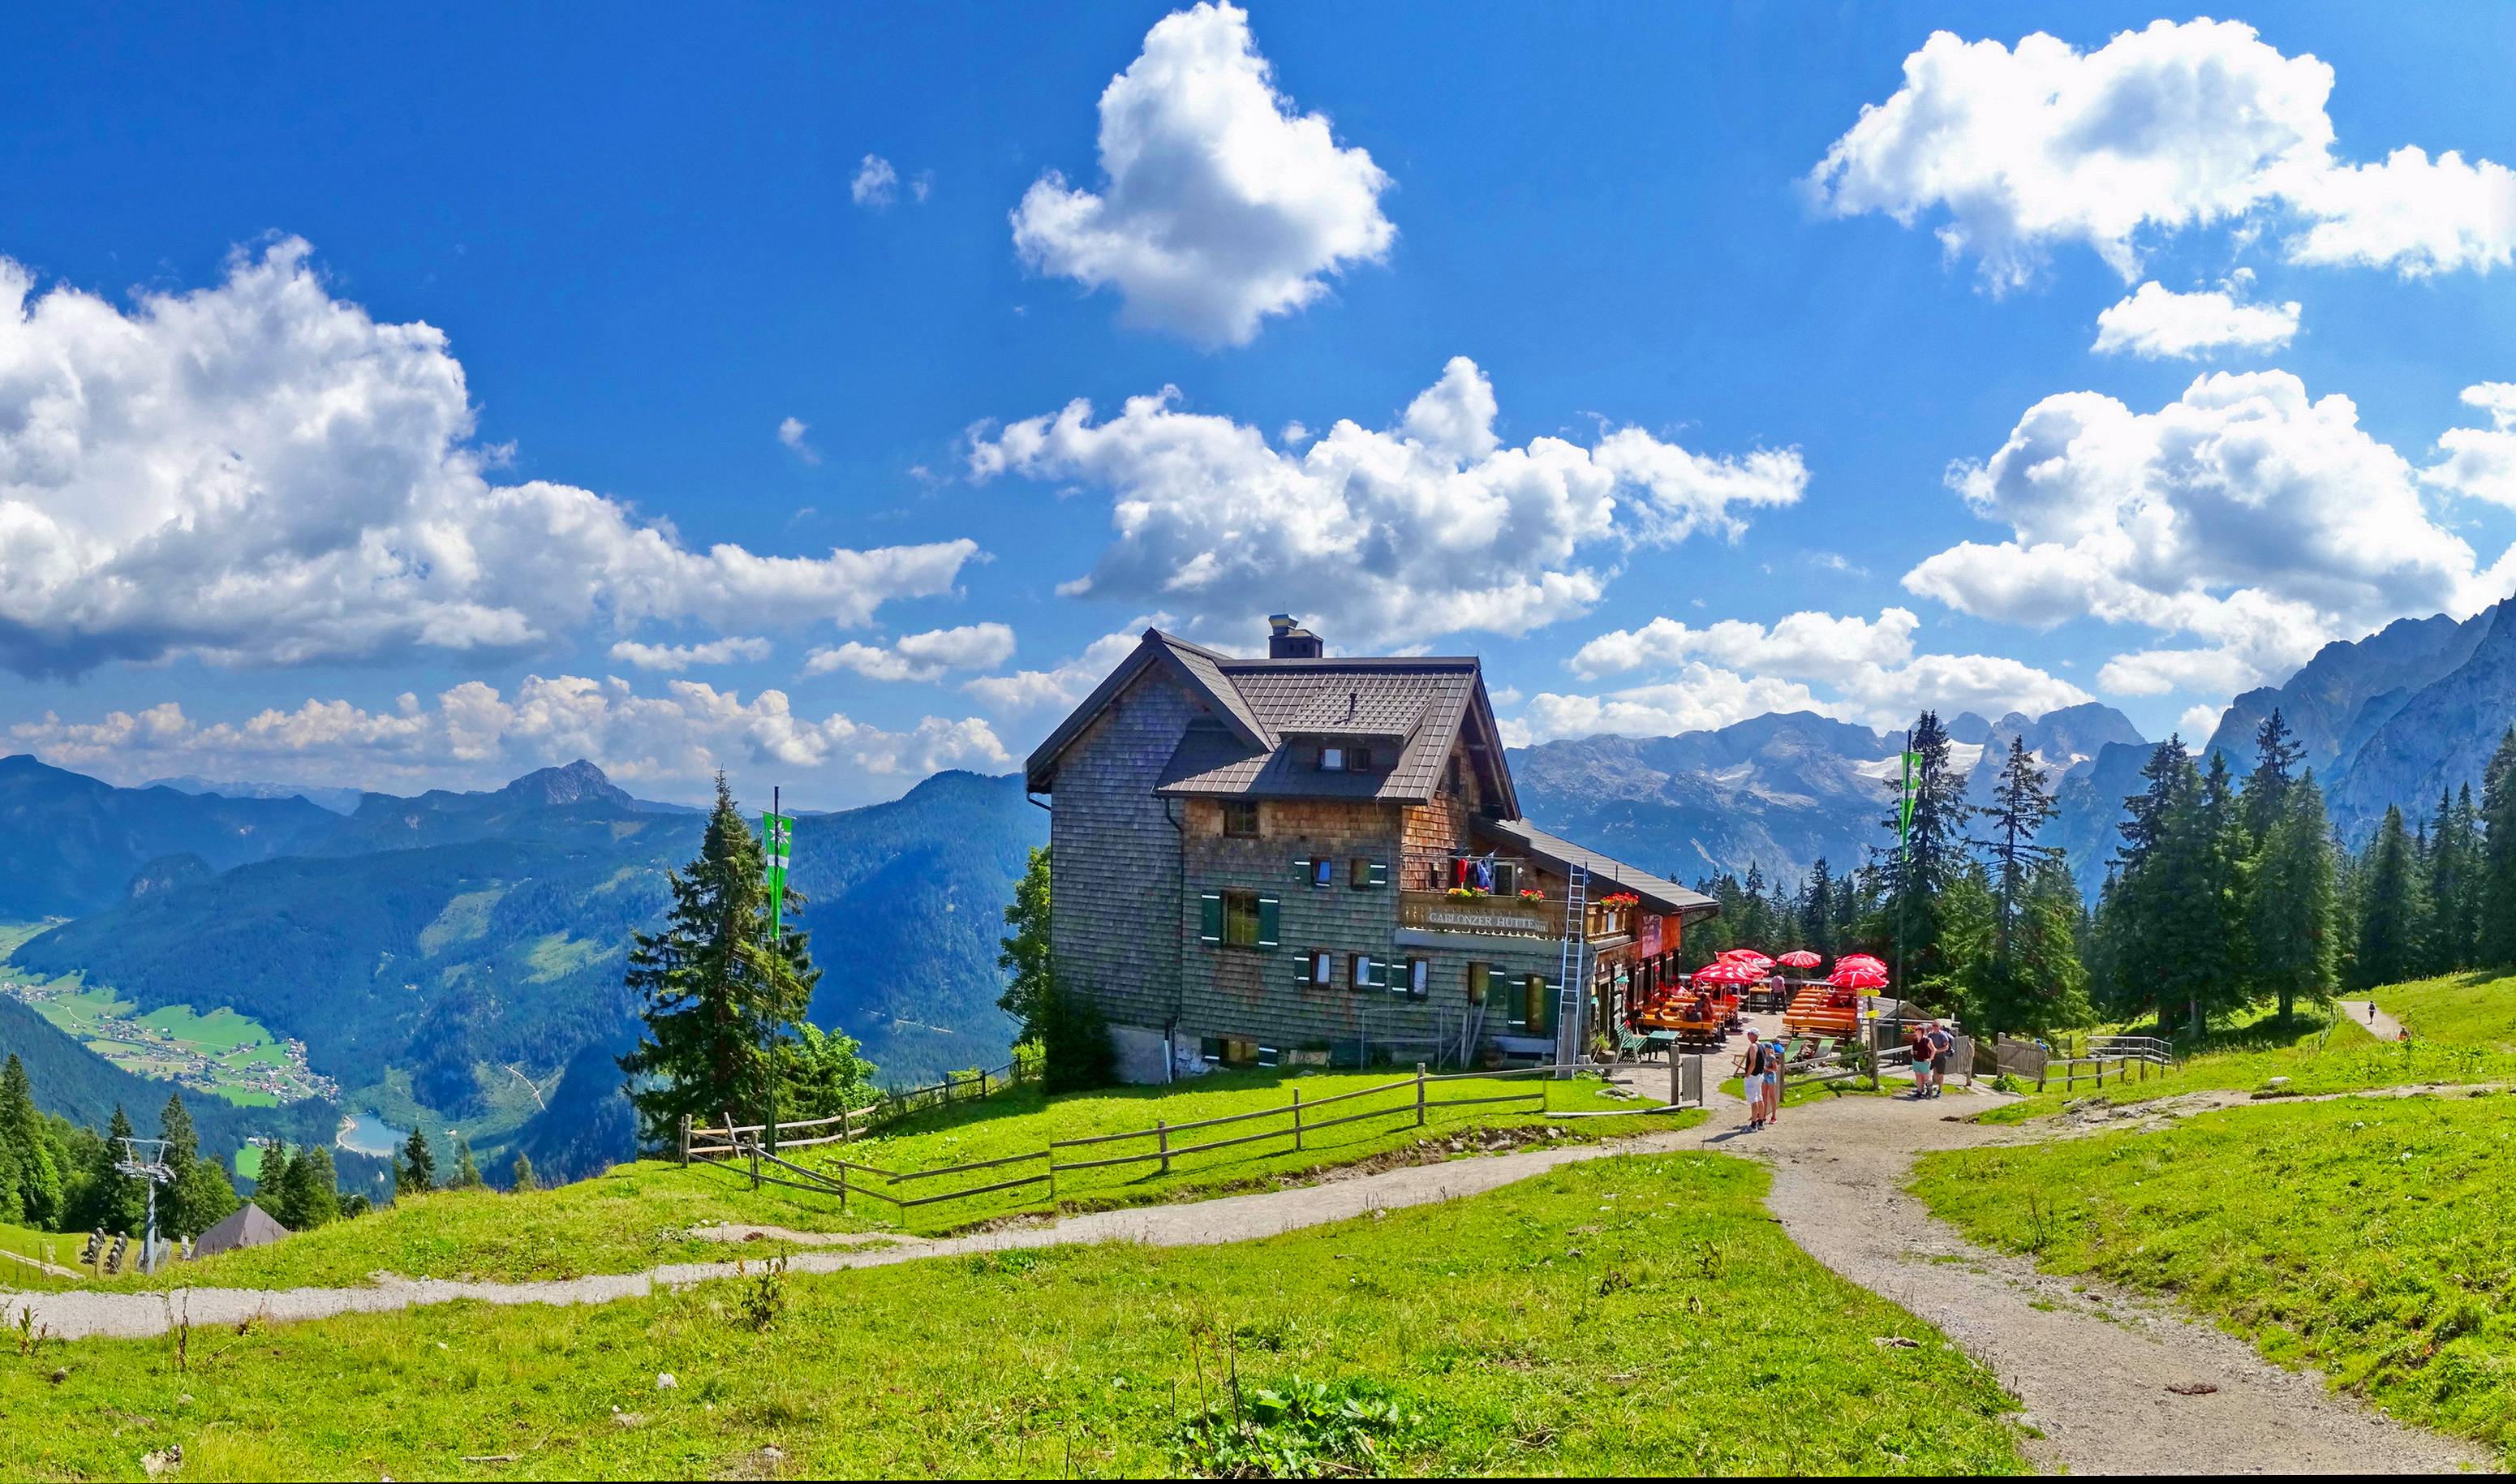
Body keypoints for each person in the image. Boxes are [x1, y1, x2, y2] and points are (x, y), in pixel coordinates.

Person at [1737, 1030, 1768, 1131]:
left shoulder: (1753, 1046)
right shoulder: (1762, 1046)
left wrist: (1747, 1074)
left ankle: (1753, 1124)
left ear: (1754, 1035)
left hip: (1753, 1076)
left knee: (1753, 1100)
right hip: (1759, 1075)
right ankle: (1761, 1122)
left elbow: (1753, 1062)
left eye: (1749, 1034)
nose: (1748, 1035)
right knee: (1759, 1097)